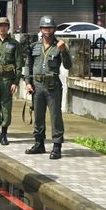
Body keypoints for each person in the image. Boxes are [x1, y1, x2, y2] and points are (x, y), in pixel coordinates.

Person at [25, 15, 72, 159]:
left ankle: (57, 146)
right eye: (44, 27)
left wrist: (64, 51)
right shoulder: (34, 46)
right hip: (37, 85)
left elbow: (68, 65)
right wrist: (27, 82)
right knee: (38, 115)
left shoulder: (59, 45)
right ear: (40, 29)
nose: (47, 30)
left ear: (54, 29)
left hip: (52, 86)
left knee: (55, 116)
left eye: (50, 27)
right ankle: (39, 143)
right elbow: (28, 65)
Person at [0, 16, 23, 145]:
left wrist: (16, 82)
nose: (2, 28)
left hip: (8, 80)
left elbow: (19, 65)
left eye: (5, 25)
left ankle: (4, 133)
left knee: (6, 107)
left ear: (8, 27)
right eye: (0, 25)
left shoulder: (14, 44)